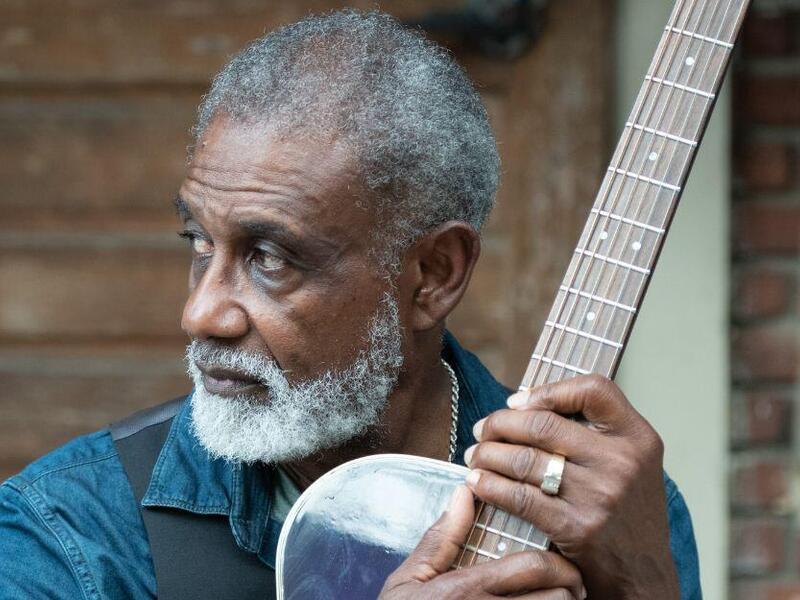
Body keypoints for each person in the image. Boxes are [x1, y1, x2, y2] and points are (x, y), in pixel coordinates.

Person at [0, 9, 700, 599]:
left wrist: (643, 580)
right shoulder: (68, 532)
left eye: (270, 257)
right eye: (200, 242)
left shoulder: (601, 506)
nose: (202, 315)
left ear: (434, 274)